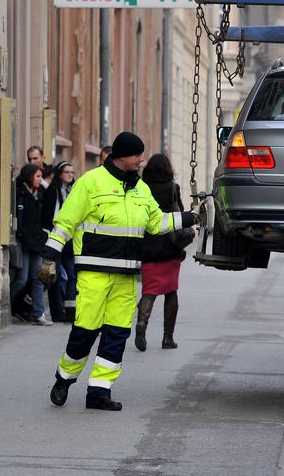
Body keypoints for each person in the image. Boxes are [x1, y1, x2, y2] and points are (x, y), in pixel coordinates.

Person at [40, 132, 198, 411]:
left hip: (127, 277)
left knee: (117, 334)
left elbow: (155, 222)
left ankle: (99, 392)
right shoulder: (91, 182)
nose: (141, 160)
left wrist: (189, 217)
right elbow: (65, 222)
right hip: (95, 274)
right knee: (85, 331)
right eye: (137, 155)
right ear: (122, 156)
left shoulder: (141, 189)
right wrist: (49, 258)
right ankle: (64, 379)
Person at [136, 154, 192, 351]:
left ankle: (142, 324)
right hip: (169, 246)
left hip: (147, 246)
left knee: (149, 290)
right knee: (171, 291)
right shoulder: (172, 188)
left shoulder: (141, 188)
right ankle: (167, 338)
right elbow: (179, 214)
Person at [11, 164, 53, 325]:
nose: (40, 179)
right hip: (23, 242)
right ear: (29, 177)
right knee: (22, 279)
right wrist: (22, 235)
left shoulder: (40, 194)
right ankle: (6, 304)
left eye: (41, 176)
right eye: (37, 176)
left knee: (38, 279)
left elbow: (43, 219)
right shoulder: (20, 193)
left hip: (37, 243)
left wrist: (43, 236)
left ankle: (38, 313)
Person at [42, 161, 77, 322]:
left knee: (72, 275)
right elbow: (48, 216)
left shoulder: (74, 190)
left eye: (72, 172)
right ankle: (57, 311)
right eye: (67, 172)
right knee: (55, 276)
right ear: (59, 174)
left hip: (70, 240)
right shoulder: (53, 190)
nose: (70, 175)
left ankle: (70, 309)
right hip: (56, 238)